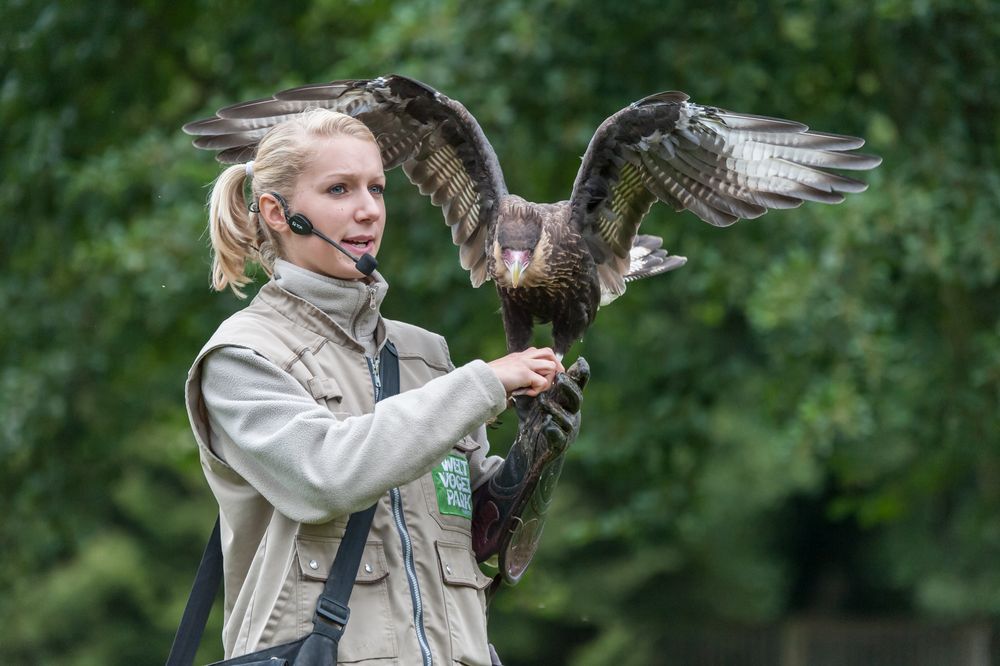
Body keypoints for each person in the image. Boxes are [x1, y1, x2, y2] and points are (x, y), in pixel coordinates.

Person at [184, 108, 583, 665]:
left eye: (377, 187)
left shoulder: (424, 355)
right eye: (339, 189)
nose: (368, 209)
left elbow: (483, 540)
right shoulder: (242, 359)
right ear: (278, 213)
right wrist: (484, 382)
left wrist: (535, 457)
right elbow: (324, 475)